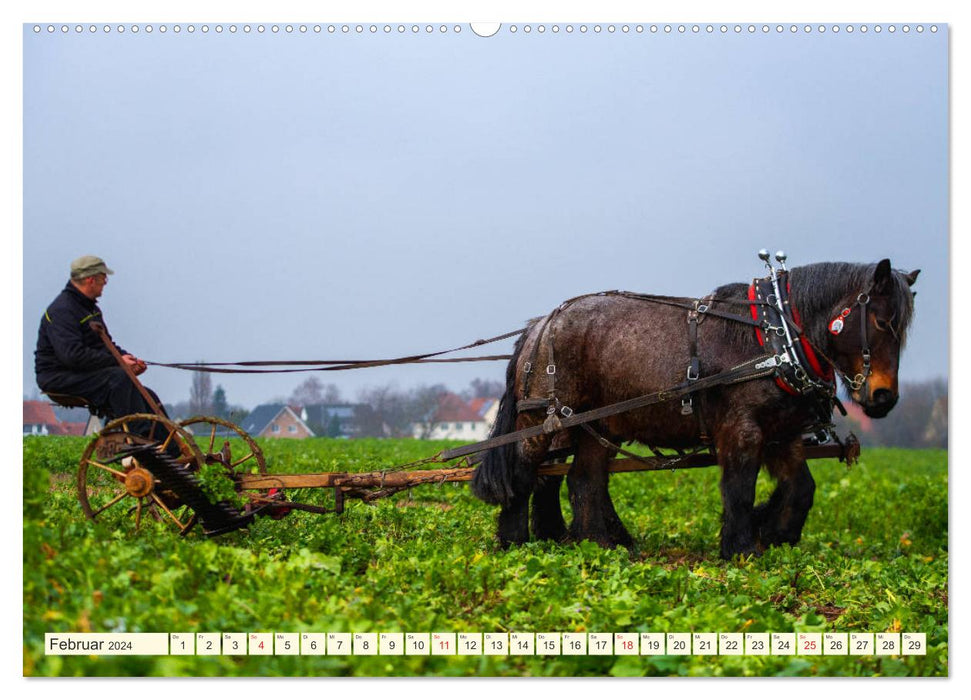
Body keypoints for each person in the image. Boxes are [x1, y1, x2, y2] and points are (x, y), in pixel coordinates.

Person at [34, 255, 167, 422]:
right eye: (104, 278)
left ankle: (171, 445)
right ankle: (139, 438)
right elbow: (72, 356)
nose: (105, 283)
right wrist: (119, 362)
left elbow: (106, 345)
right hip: (59, 376)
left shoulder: (91, 309)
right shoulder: (62, 310)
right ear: (91, 280)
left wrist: (130, 360)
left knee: (148, 395)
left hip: (83, 372)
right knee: (119, 379)